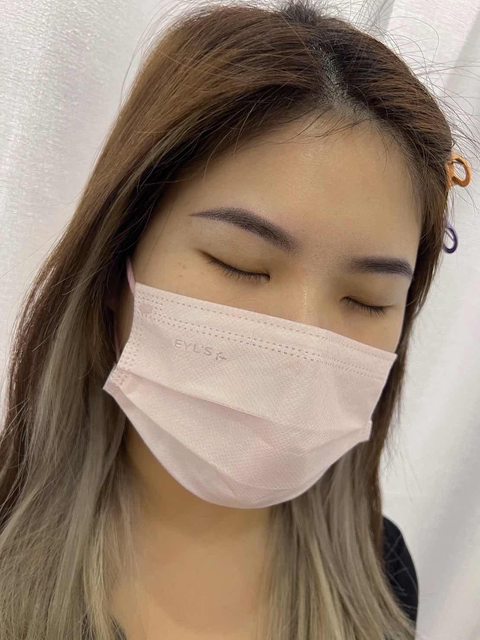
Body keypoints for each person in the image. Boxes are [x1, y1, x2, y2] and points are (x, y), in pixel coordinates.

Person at [0, 1, 472, 639]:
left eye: (368, 299)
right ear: (116, 261)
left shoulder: (384, 576)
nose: (302, 343)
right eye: (240, 263)